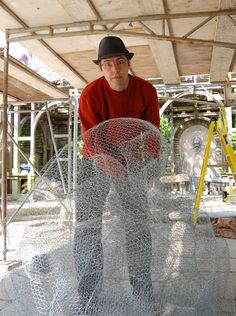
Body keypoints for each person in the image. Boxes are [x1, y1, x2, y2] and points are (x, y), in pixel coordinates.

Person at [74, 36, 160, 312]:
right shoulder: (90, 94)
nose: (114, 70)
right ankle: (88, 295)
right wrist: (107, 164)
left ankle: (142, 290)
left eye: (120, 62)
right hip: (94, 161)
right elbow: (90, 138)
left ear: (128, 64)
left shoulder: (146, 90)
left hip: (132, 160)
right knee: (87, 228)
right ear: (101, 68)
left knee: (137, 227)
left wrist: (151, 168)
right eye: (107, 64)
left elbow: (153, 131)